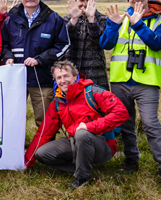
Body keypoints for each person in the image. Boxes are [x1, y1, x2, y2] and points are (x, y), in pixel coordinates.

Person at [100, 0, 161, 191]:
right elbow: (105, 44)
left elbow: (158, 43)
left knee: (151, 124)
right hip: (120, 80)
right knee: (125, 123)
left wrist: (138, 24)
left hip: (147, 82)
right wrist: (113, 25)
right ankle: (131, 161)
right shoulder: (121, 18)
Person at [24, 61, 129, 189]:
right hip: (74, 142)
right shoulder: (57, 102)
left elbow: (121, 113)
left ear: (75, 76)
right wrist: (27, 161)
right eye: (59, 77)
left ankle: (82, 178)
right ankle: (81, 166)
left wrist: (90, 127)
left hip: (103, 145)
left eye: (66, 76)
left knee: (82, 133)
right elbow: (44, 132)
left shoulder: (92, 92)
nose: (63, 81)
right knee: (42, 153)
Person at [2, 0, 70, 128]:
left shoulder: (54, 18)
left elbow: (63, 45)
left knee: (44, 120)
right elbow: (3, 44)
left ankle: (44, 150)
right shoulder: (10, 20)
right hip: (16, 80)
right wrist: (8, 57)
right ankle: (16, 150)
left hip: (42, 78)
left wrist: (40, 59)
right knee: (12, 119)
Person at [63, 0, 109, 89]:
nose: (84, 4)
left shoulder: (102, 19)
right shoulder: (67, 18)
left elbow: (99, 41)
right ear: (75, 1)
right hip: (72, 69)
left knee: (95, 102)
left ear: (94, 1)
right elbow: (64, 40)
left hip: (95, 72)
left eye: (88, 0)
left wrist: (91, 19)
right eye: (81, 0)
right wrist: (74, 20)